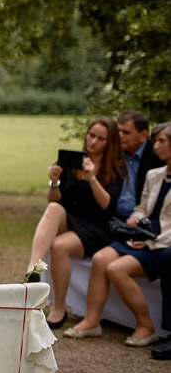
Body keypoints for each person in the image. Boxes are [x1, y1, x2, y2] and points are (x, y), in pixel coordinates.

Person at [65, 122, 171, 346]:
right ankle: (92, 321)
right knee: (101, 257)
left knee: (116, 269)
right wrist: (136, 220)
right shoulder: (155, 174)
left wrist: (151, 239)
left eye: (162, 141)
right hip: (143, 233)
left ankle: (146, 326)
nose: (156, 146)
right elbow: (142, 207)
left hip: (162, 243)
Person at [27, 116, 124, 329]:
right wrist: (54, 181)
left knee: (59, 246)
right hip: (69, 220)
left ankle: (59, 308)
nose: (93, 142)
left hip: (96, 227)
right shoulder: (71, 163)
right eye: (91, 136)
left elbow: (107, 205)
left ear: (110, 142)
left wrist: (91, 177)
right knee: (53, 208)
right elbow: (54, 200)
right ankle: (33, 270)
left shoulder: (115, 169)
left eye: (101, 138)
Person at [116, 110, 160, 220]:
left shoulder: (157, 155)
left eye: (126, 132)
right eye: (118, 131)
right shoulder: (113, 154)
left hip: (145, 219)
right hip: (113, 218)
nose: (119, 136)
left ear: (143, 135)